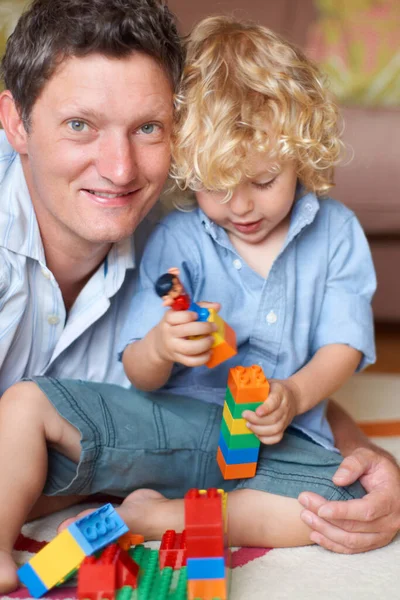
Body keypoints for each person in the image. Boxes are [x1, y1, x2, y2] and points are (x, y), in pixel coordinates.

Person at [0, 2, 398, 592]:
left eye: (147, 128)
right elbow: (139, 372)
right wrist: (164, 346)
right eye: (80, 123)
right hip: (156, 428)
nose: (119, 168)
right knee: (30, 408)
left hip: (238, 439)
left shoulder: (176, 218)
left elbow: (318, 349)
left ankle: (157, 514)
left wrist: (348, 440)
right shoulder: (181, 232)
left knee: (339, 503)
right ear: (15, 122)